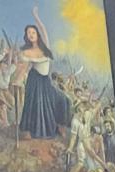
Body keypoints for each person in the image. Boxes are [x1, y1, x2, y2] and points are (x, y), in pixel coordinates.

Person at [17, 8, 70, 140]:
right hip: (34, 81)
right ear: (26, 36)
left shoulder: (45, 46)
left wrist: (36, 17)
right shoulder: (25, 52)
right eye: (28, 33)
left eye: (33, 32)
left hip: (45, 81)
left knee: (63, 99)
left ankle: (61, 125)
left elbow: (43, 29)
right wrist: (17, 80)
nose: (31, 34)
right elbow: (24, 68)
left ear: (37, 34)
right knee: (36, 105)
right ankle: (29, 130)